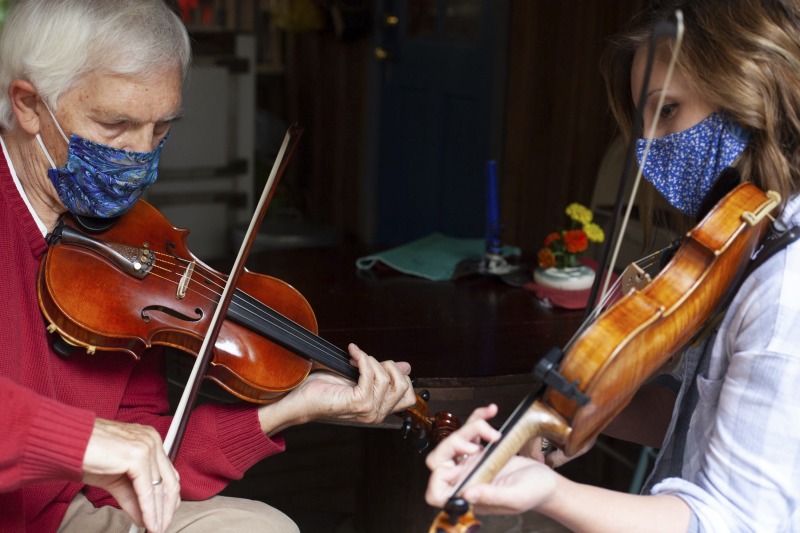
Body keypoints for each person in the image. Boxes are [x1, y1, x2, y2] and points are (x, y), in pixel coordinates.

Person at [0, 1, 416, 532]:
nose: (142, 155)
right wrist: (83, 441)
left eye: (161, 128)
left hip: (61, 514)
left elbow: (146, 464)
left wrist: (296, 405)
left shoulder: (132, 246)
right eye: (116, 124)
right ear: (30, 105)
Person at [425, 0, 800, 531]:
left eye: (666, 110)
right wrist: (574, 417)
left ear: (753, 85)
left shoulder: (787, 286)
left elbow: (728, 521)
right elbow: (700, 414)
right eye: (642, 121)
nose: (647, 145)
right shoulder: (750, 240)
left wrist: (551, 493)